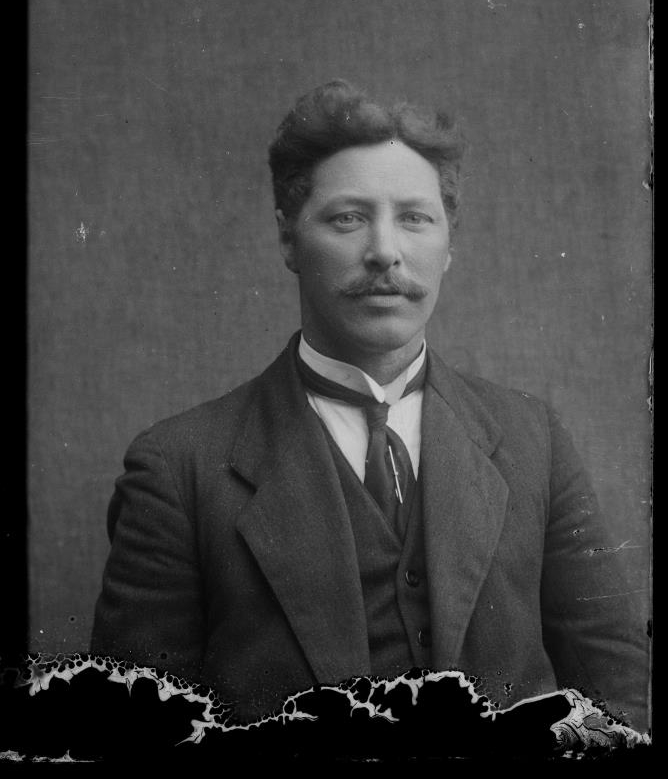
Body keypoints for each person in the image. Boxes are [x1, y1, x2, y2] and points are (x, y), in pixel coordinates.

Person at [91, 79, 648, 728]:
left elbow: (619, 689)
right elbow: (136, 733)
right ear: (288, 239)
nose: (385, 251)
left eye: (415, 218)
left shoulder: (534, 439)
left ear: (449, 243)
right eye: (348, 218)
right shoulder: (178, 468)